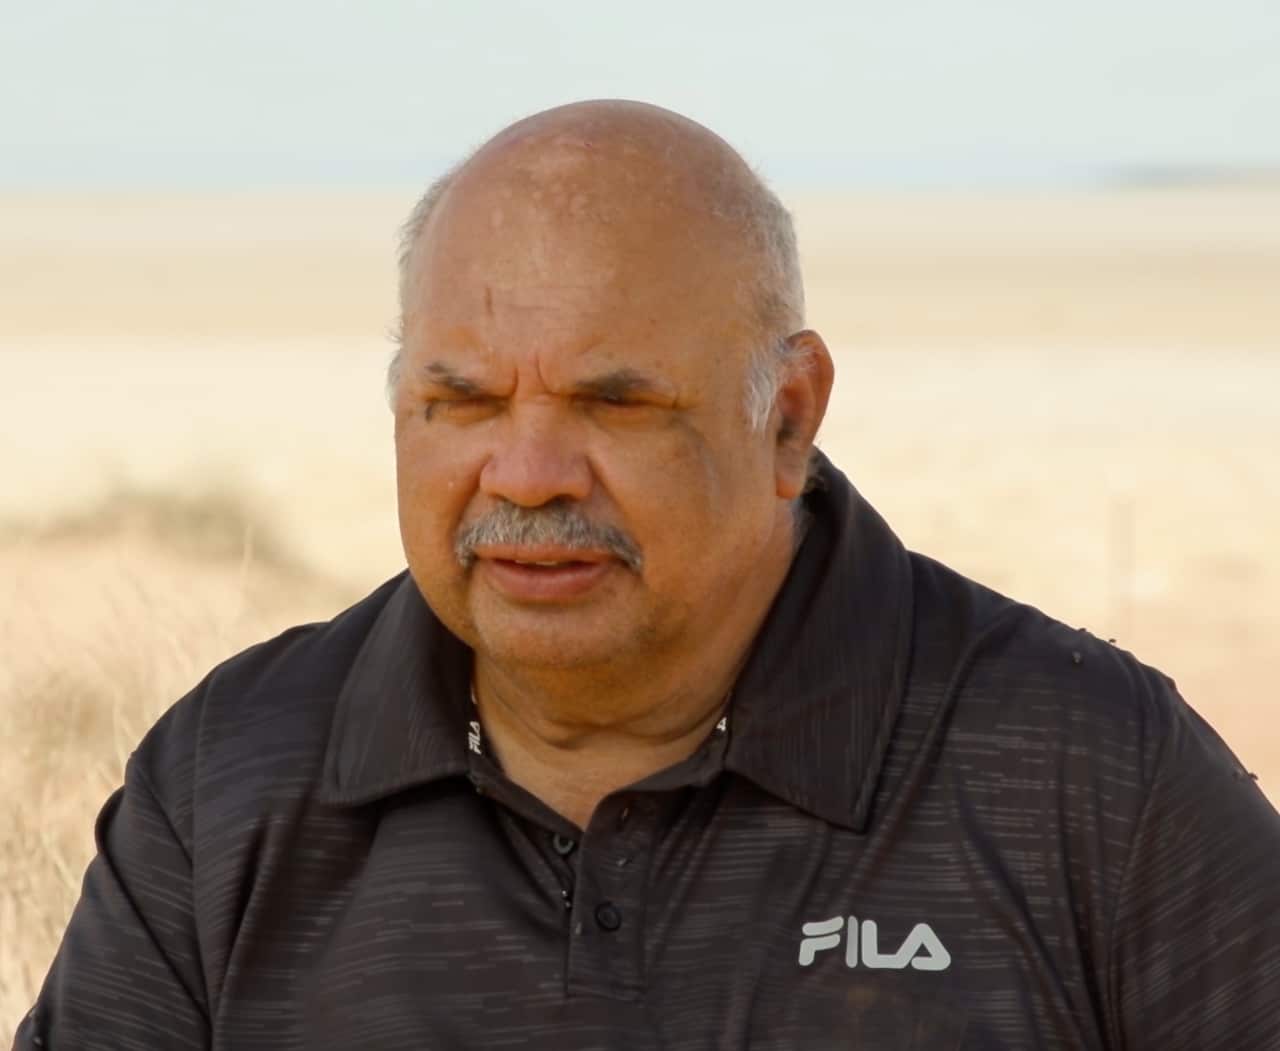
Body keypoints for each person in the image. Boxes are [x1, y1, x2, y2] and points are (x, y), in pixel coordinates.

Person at [15, 99, 1280, 1050]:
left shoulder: (1089, 779)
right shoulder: (229, 783)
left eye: (613, 403)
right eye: (462, 402)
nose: (525, 476)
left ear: (787, 418)